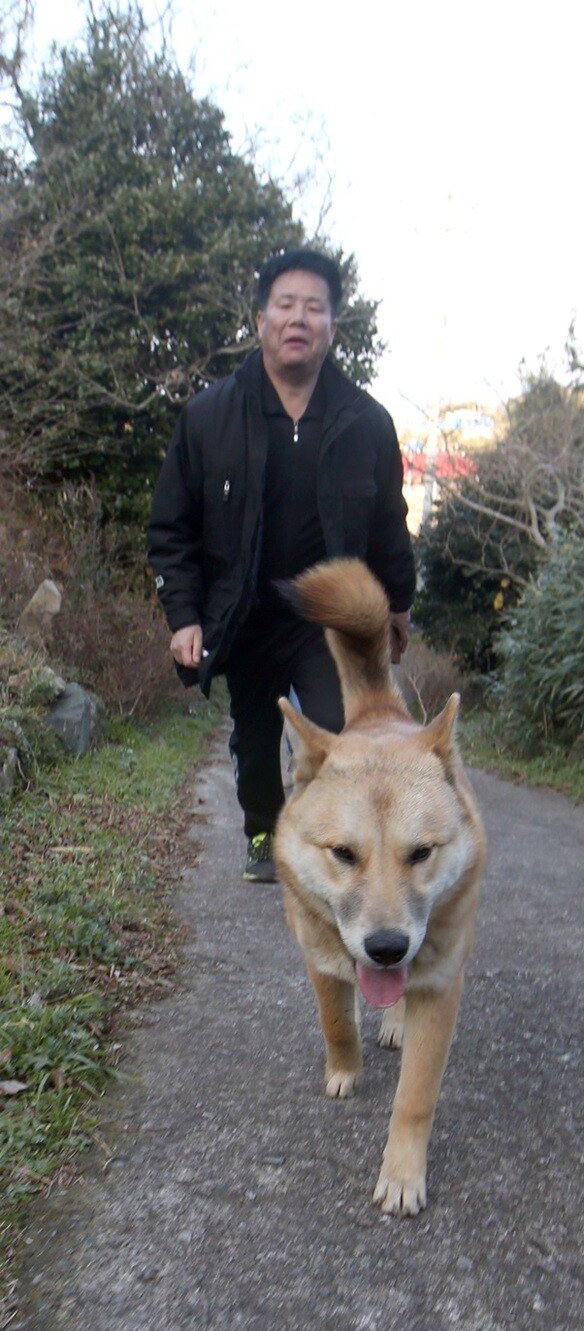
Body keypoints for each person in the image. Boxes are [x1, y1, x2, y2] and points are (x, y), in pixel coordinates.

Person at [148, 247, 416, 883]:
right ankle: (262, 826)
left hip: (327, 619)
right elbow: (171, 527)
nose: (299, 318)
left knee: (337, 735)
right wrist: (183, 616)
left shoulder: (367, 424)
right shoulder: (209, 417)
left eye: (314, 308)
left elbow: (389, 528)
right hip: (243, 610)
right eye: (287, 305)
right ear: (262, 317)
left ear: (331, 325)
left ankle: (333, 843)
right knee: (254, 733)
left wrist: (397, 606)